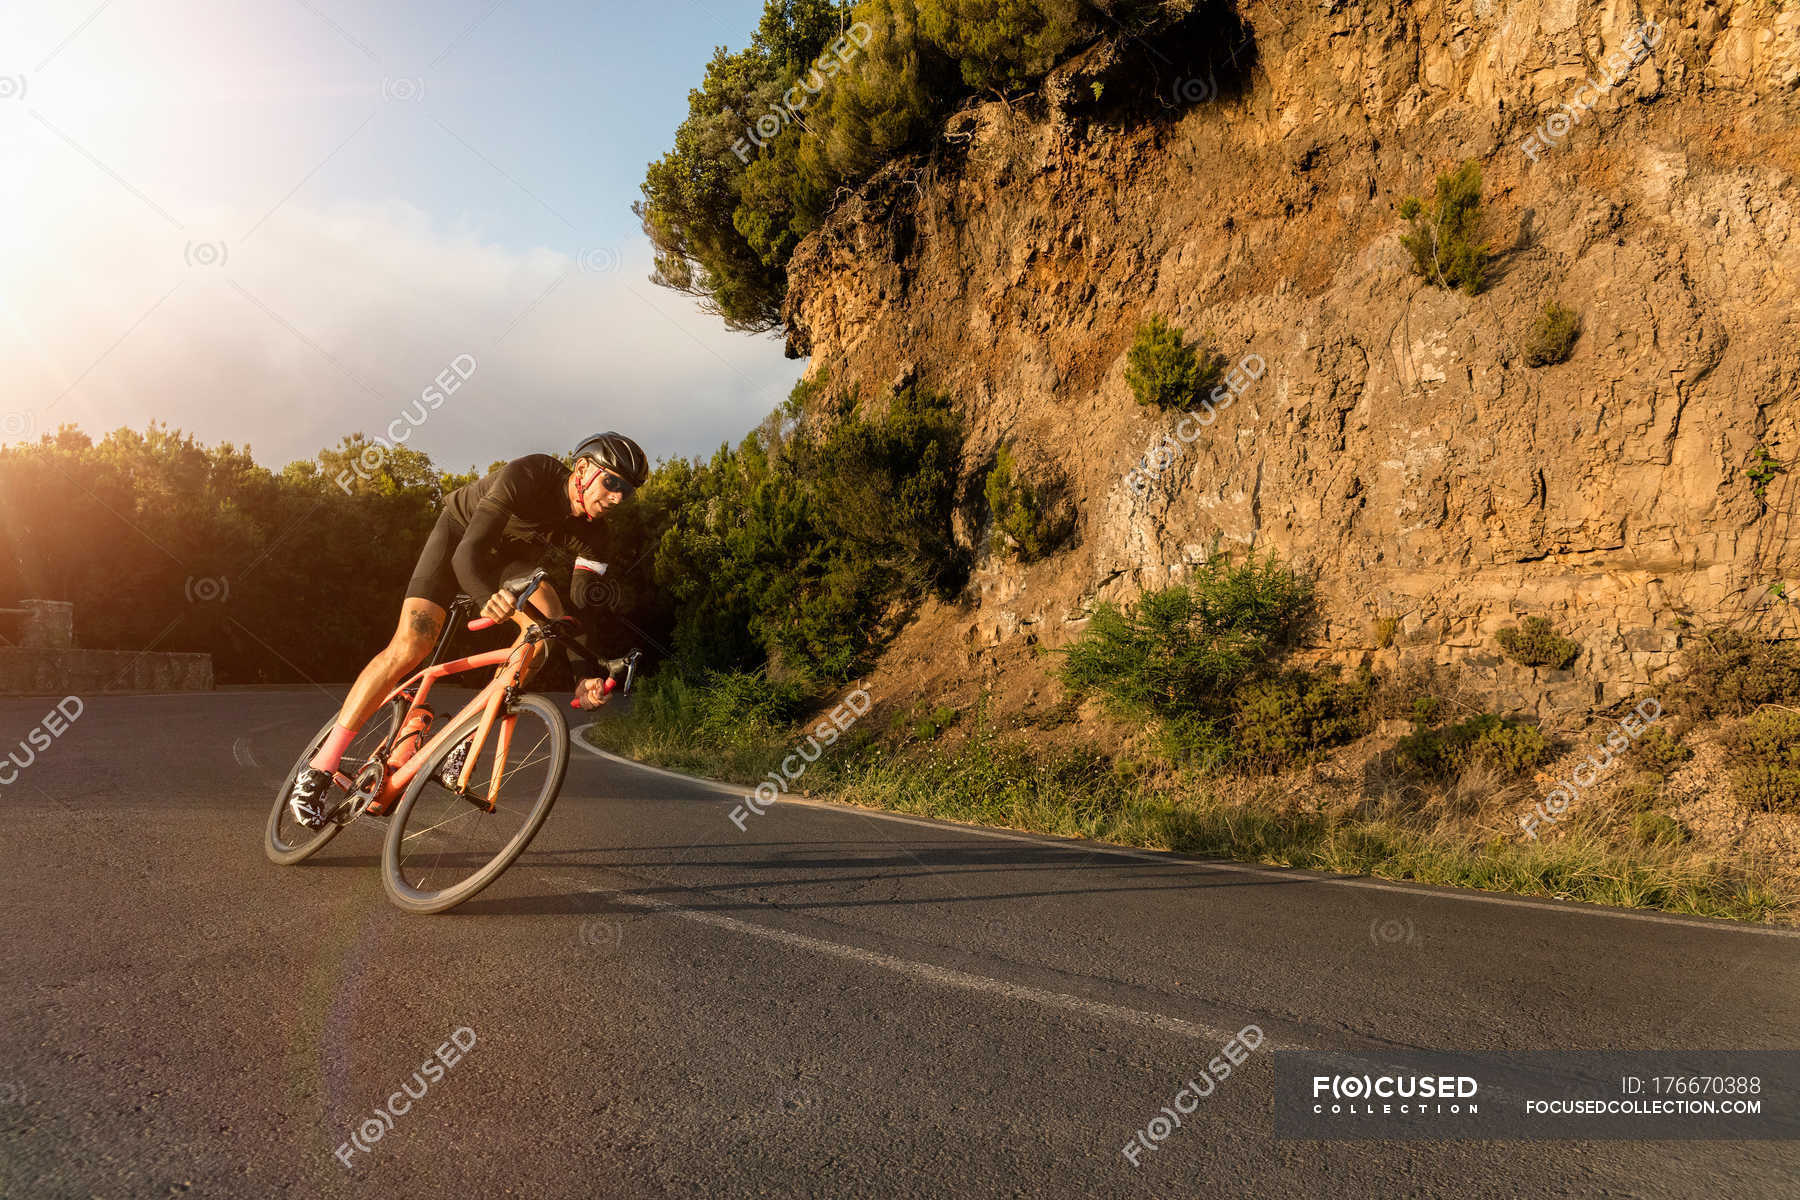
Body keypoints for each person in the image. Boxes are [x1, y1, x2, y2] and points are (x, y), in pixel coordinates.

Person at [287, 432, 650, 827]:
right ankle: (319, 768)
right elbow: (468, 554)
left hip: (508, 564)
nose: (616, 497)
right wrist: (483, 598)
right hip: (459, 539)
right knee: (412, 644)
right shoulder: (529, 474)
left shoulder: (597, 534)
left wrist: (584, 675)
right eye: (611, 482)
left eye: (626, 492)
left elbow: (580, 607)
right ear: (582, 469)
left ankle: (461, 741)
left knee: (545, 632)